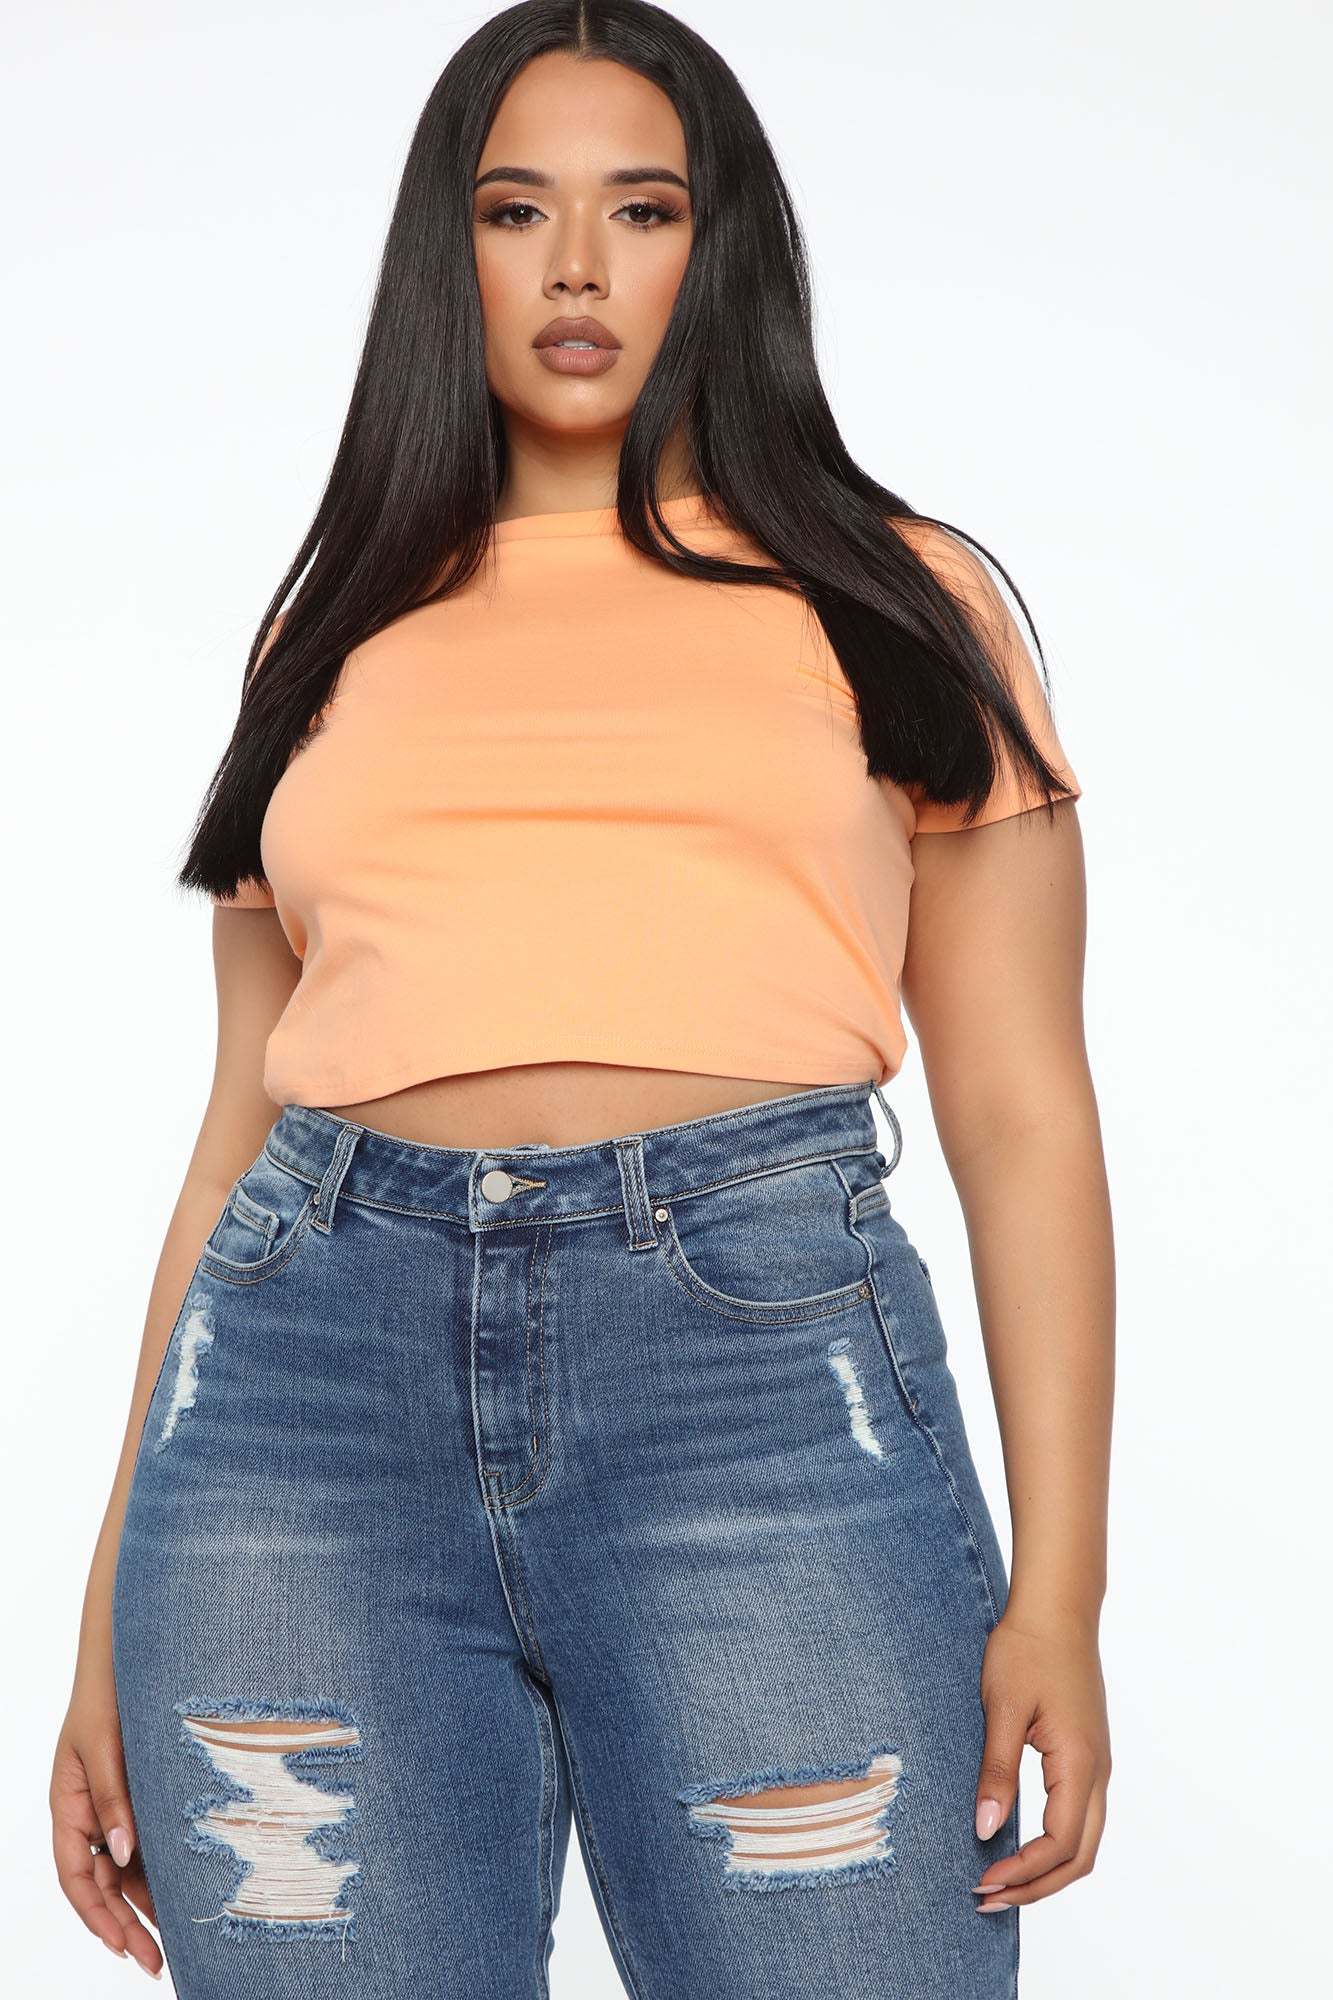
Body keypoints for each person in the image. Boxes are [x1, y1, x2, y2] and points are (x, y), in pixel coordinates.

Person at [51, 4, 1114, 1993]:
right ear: (441, 255)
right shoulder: (334, 620)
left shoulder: (896, 600)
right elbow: (230, 1140)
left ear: (721, 250)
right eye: (511, 210)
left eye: (640, 210)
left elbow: (1022, 1116)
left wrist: (1061, 1589)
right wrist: (107, 1606)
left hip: (758, 1382)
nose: (571, 269)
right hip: (298, 1405)